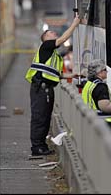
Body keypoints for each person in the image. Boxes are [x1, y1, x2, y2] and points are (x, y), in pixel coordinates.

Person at [25, 12, 80, 156]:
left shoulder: (52, 54)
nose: (53, 32)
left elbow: (54, 74)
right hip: (40, 89)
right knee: (40, 117)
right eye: (50, 32)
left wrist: (72, 75)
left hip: (46, 89)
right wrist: (75, 24)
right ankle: (37, 147)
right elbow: (63, 39)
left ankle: (41, 145)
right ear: (45, 39)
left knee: (45, 117)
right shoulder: (46, 46)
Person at [81, 62, 111, 130]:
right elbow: (105, 107)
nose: (107, 71)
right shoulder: (101, 86)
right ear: (99, 72)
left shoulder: (89, 84)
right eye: (105, 70)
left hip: (91, 121)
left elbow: (95, 102)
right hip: (103, 124)